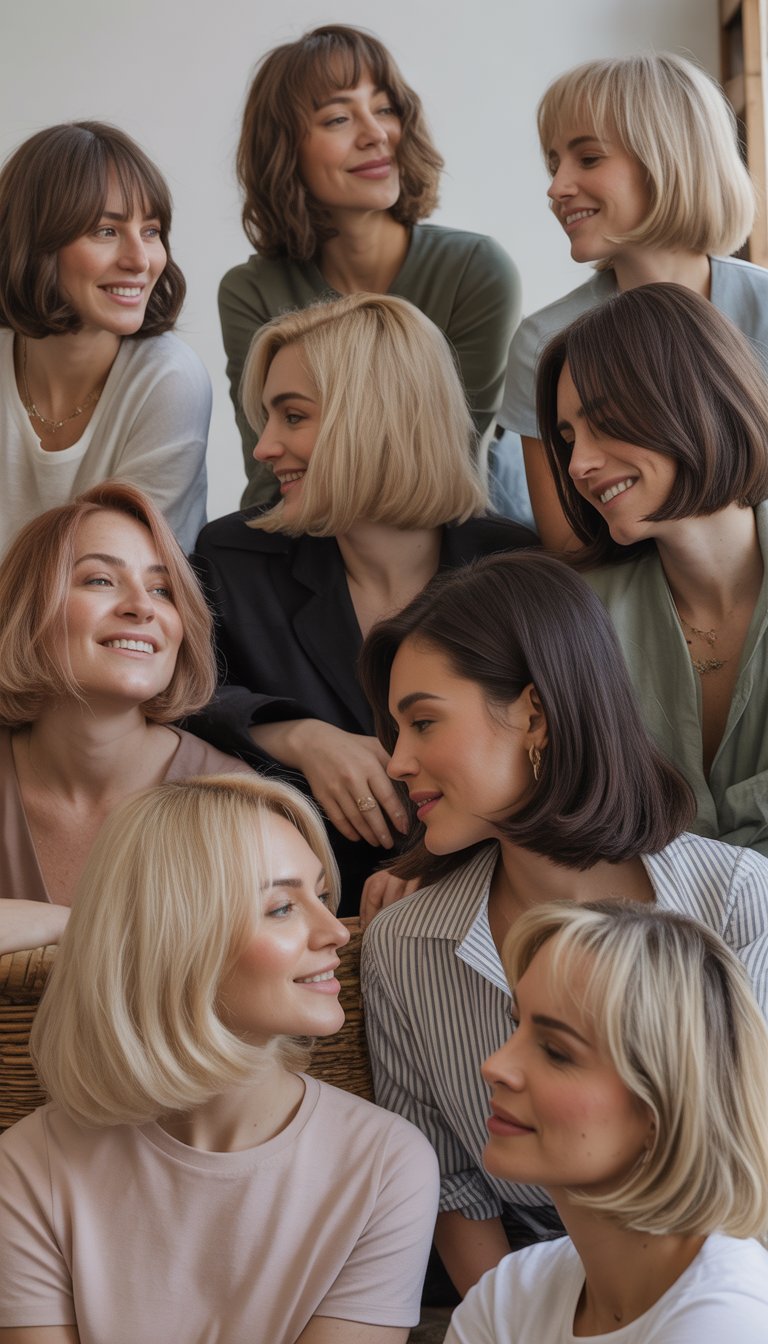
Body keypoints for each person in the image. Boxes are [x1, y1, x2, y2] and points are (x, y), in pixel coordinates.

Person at [358, 551, 768, 1295]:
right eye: (395, 730)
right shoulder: (402, 945)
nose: (397, 760)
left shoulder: (739, 902)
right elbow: (453, 1187)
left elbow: (753, 1171)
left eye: (423, 722)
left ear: (536, 716)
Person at [0, 773, 439, 1342]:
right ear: (174, 936)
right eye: (282, 908)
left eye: (323, 895)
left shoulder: (386, 1165)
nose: (336, 930)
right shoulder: (28, 1167)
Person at [191, 293, 535, 914]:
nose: (264, 447)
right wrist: (298, 734)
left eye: (292, 417)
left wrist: (440, 864)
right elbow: (177, 696)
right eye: (267, 419)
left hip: (488, 904)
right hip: (296, 920)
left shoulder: (516, 568)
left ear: (376, 418)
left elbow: (558, 753)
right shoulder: (231, 556)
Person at [220, 23, 520, 507]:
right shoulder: (251, 291)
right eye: (339, 118)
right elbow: (270, 469)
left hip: (458, 532)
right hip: (311, 536)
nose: (377, 133)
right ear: (284, 148)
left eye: (384, 109)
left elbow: (457, 461)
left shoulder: (476, 270)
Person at [444, 901, 768, 1341]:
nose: (495, 1065)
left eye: (557, 1051)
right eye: (515, 1025)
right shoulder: (510, 1293)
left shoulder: (729, 1318)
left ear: (663, 1108)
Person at [498, 52, 766, 549]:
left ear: (671, 157)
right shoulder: (543, 343)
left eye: (589, 158)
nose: (556, 188)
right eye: (554, 163)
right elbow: (571, 548)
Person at [537, 282, 768, 854]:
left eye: (605, 423)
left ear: (694, 399)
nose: (579, 465)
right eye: (568, 440)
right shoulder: (572, 617)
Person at [0, 480, 252, 958]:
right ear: (29, 609)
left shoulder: (234, 802)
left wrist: (62, 924)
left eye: (162, 589)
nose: (142, 607)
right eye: (100, 580)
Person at [0, 121, 210, 555]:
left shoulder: (169, 379)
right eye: (106, 231)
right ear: (34, 242)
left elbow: (113, 573)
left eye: (150, 231)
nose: (140, 260)